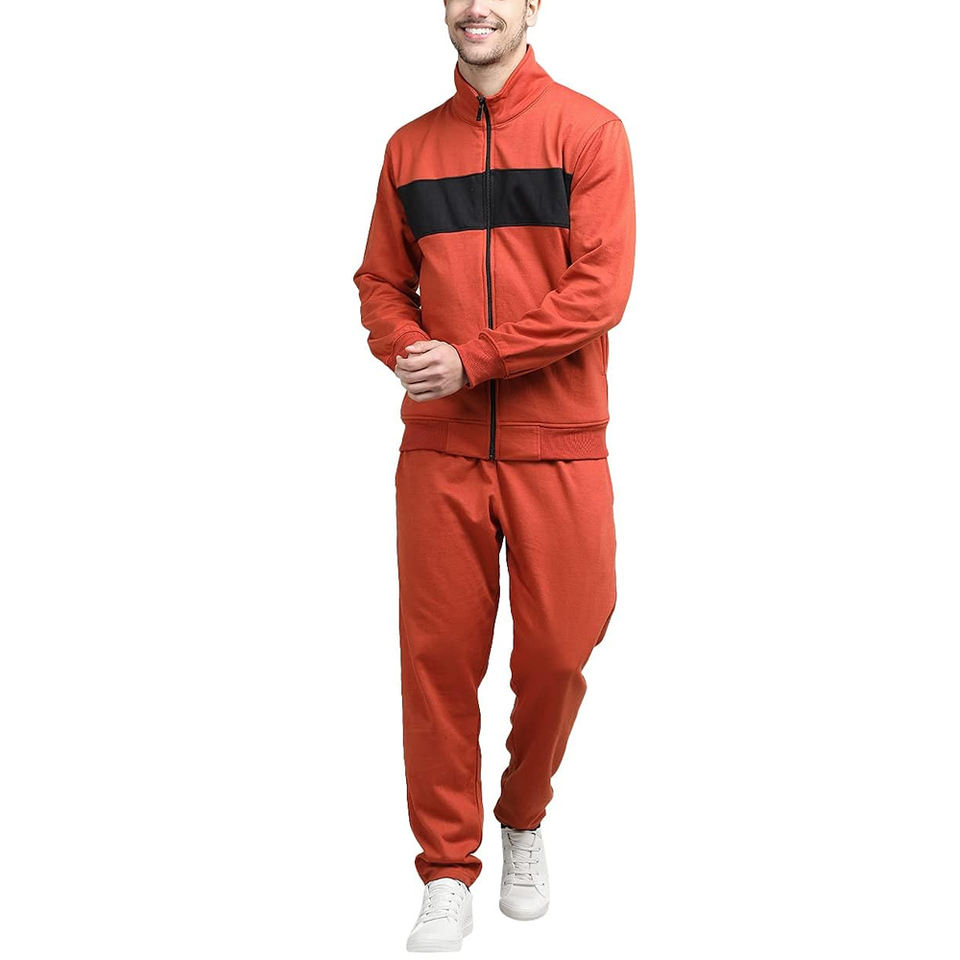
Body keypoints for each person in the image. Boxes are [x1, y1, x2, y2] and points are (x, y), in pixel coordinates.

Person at [353, 0, 635, 951]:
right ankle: (445, 869)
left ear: (531, 7)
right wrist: (405, 348)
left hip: (561, 441)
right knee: (436, 664)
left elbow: (599, 291)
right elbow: (379, 282)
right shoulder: (408, 148)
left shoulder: (589, 132)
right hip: (441, 449)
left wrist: (472, 359)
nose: (477, 6)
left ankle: (522, 812)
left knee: (560, 649)